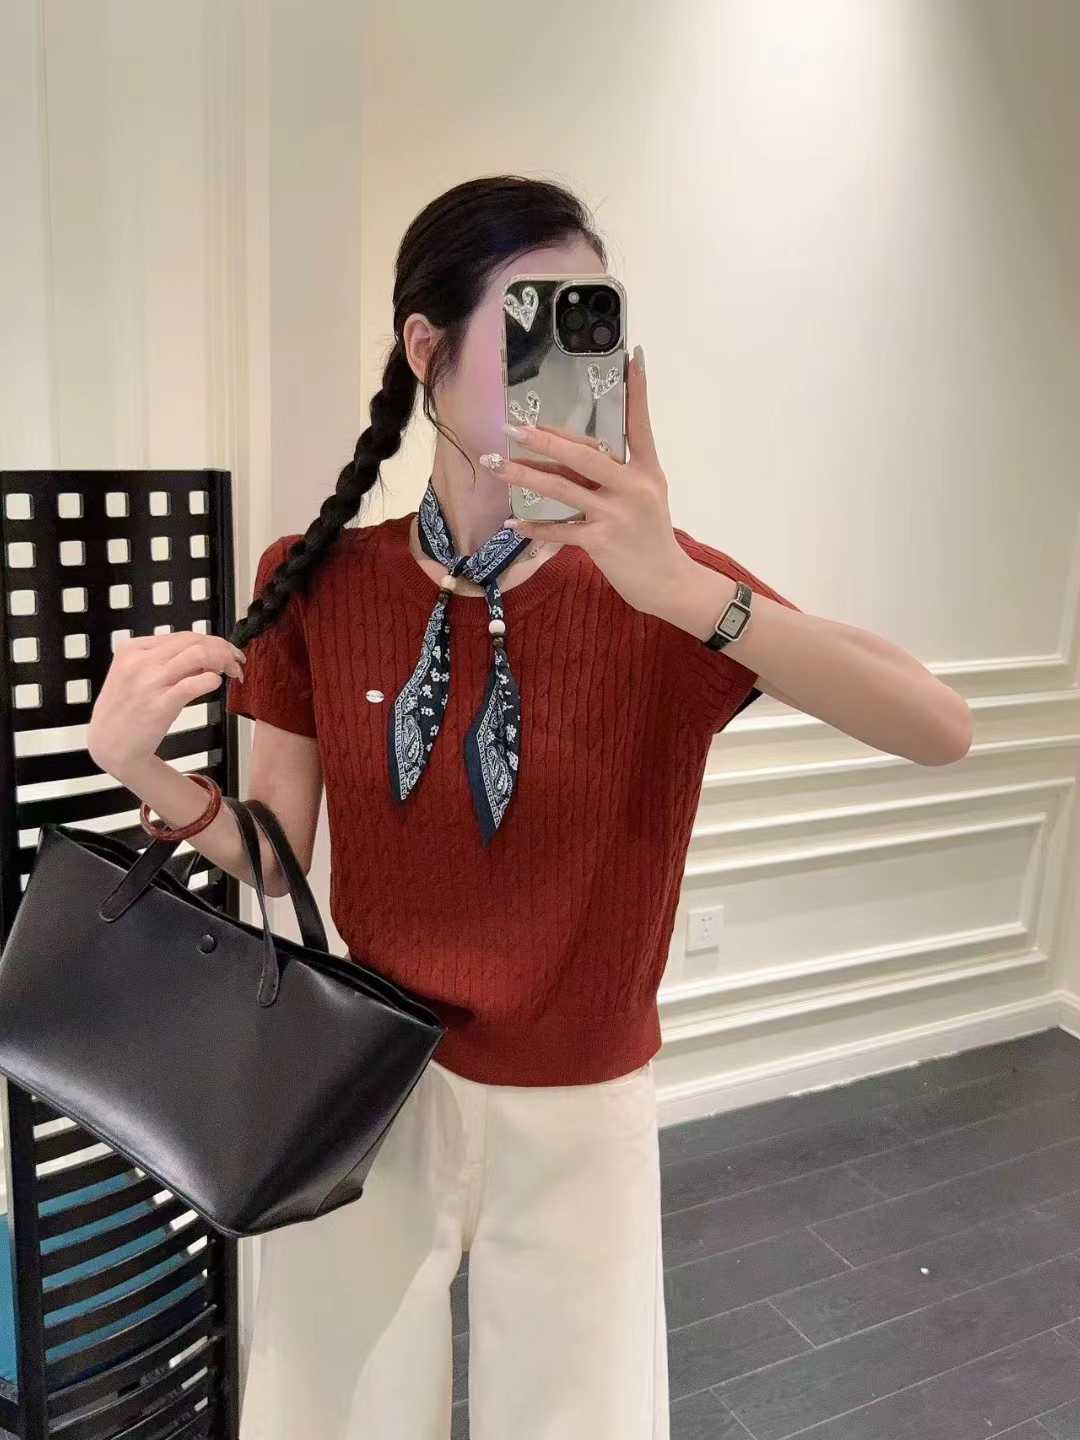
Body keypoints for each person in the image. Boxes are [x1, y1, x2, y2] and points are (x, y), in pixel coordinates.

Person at [88, 174, 973, 1440]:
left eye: (588, 324)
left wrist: (683, 589)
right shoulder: (322, 580)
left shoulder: (659, 591)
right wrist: (148, 775)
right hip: (365, 1075)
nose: (561, 365)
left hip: (579, 1094)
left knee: (577, 1421)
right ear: (425, 348)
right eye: (525, 324)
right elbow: (275, 860)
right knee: (333, 1413)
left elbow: (939, 727)